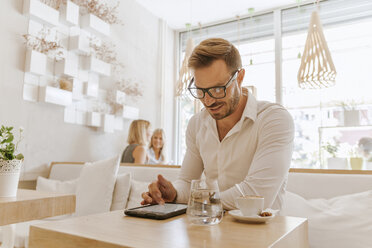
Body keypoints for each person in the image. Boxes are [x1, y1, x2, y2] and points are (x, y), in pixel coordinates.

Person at [141, 38, 294, 210]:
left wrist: (199, 201)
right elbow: (186, 181)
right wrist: (173, 194)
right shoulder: (196, 124)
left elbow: (257, 194)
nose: (208, 100)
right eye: (200, 90)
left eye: (217, 89)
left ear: (240, 78)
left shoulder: (273, 119)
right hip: (211, 227)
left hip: (263, 231)